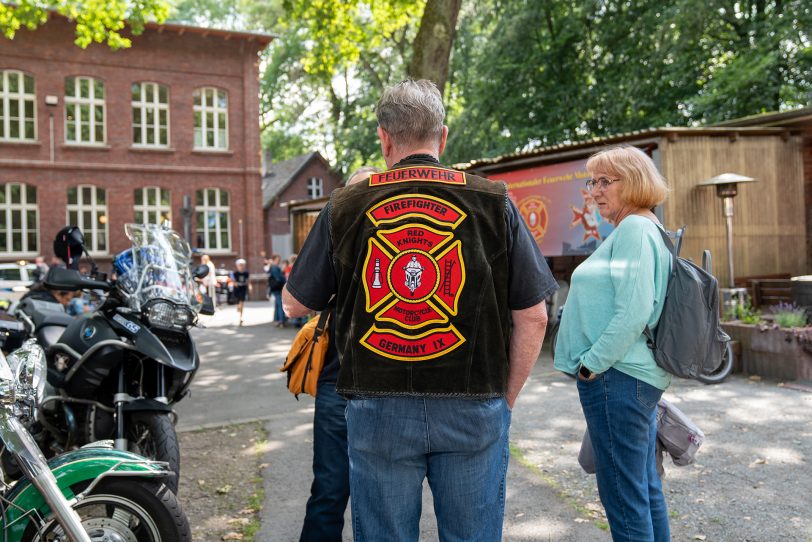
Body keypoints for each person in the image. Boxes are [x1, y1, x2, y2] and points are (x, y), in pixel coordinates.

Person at [283, 79, 556, 541]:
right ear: (443, 137)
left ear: (384, 138)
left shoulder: (346, 205)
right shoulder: (493, 201)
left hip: (377, 404)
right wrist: (503, 401)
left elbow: (295, 303)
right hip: (474, 402)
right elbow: (534, 315)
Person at [553, 145, 672, 542]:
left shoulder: (636, 229)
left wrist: (591, 365)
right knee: (640, 485)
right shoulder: (639, 227)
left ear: (635, 181)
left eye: (607, 181)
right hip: (625, 378)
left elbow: (634, 310)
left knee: (622, 494)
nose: (596, 190)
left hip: (616, 379)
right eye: (593, 182)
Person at [298, 165, 380, 542]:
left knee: (381, 494)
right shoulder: (334, 241)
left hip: (387, 389)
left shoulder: (394, 244)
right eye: (350, 197)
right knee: (330, 488)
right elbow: (296, 301)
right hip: (338, 382)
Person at [267, 254, 286, 327]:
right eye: (277, 260)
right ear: (274, 260)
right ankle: (281, 320)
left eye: (279, 260)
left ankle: (277, 320)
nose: (278, 262)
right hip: (277, 288)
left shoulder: (273, 267)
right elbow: (279, 279)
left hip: (275, 288)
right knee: (280, 305)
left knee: (277, 304)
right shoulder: (274, 268)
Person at [230, 258, 250, 326]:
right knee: (238, 302)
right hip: (237, 289)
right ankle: (238, 306)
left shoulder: (246, 273)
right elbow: (233, 281)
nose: (241, 266)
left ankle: (241, 317)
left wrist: (249, 286)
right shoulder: (235, 273)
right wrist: (235, 283)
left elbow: (248, 280)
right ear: (237, 265)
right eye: (240, 265)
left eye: (242, 265)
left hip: (243, 288)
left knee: (242, 302)